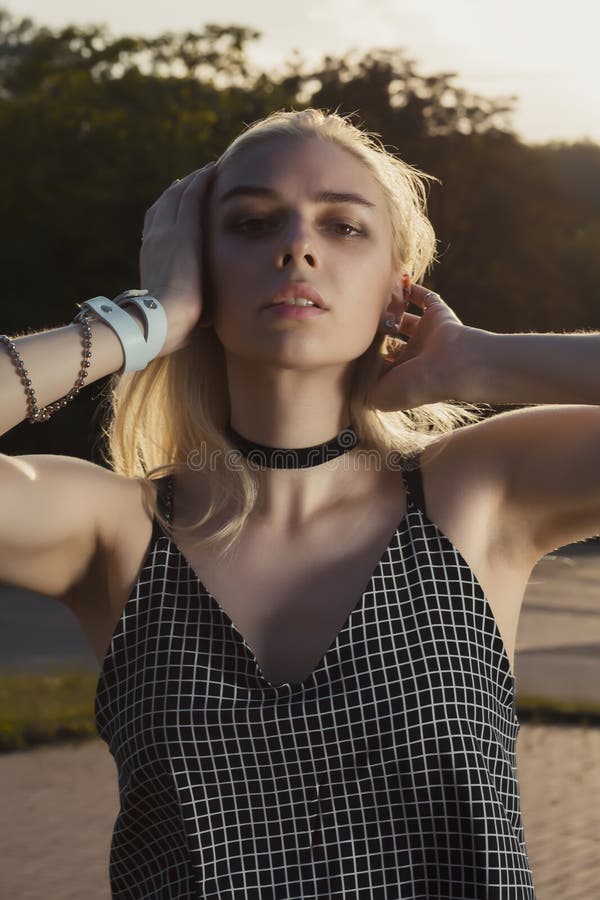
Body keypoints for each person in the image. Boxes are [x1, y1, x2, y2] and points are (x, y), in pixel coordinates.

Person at [1, 107, 599, 898]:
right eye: (251, 223)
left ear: (397, 284)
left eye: (345, 227)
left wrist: (476, 360)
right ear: (199, 269)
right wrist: (148, 319)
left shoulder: (478, 492)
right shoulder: (116, 529)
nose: (297, 246)